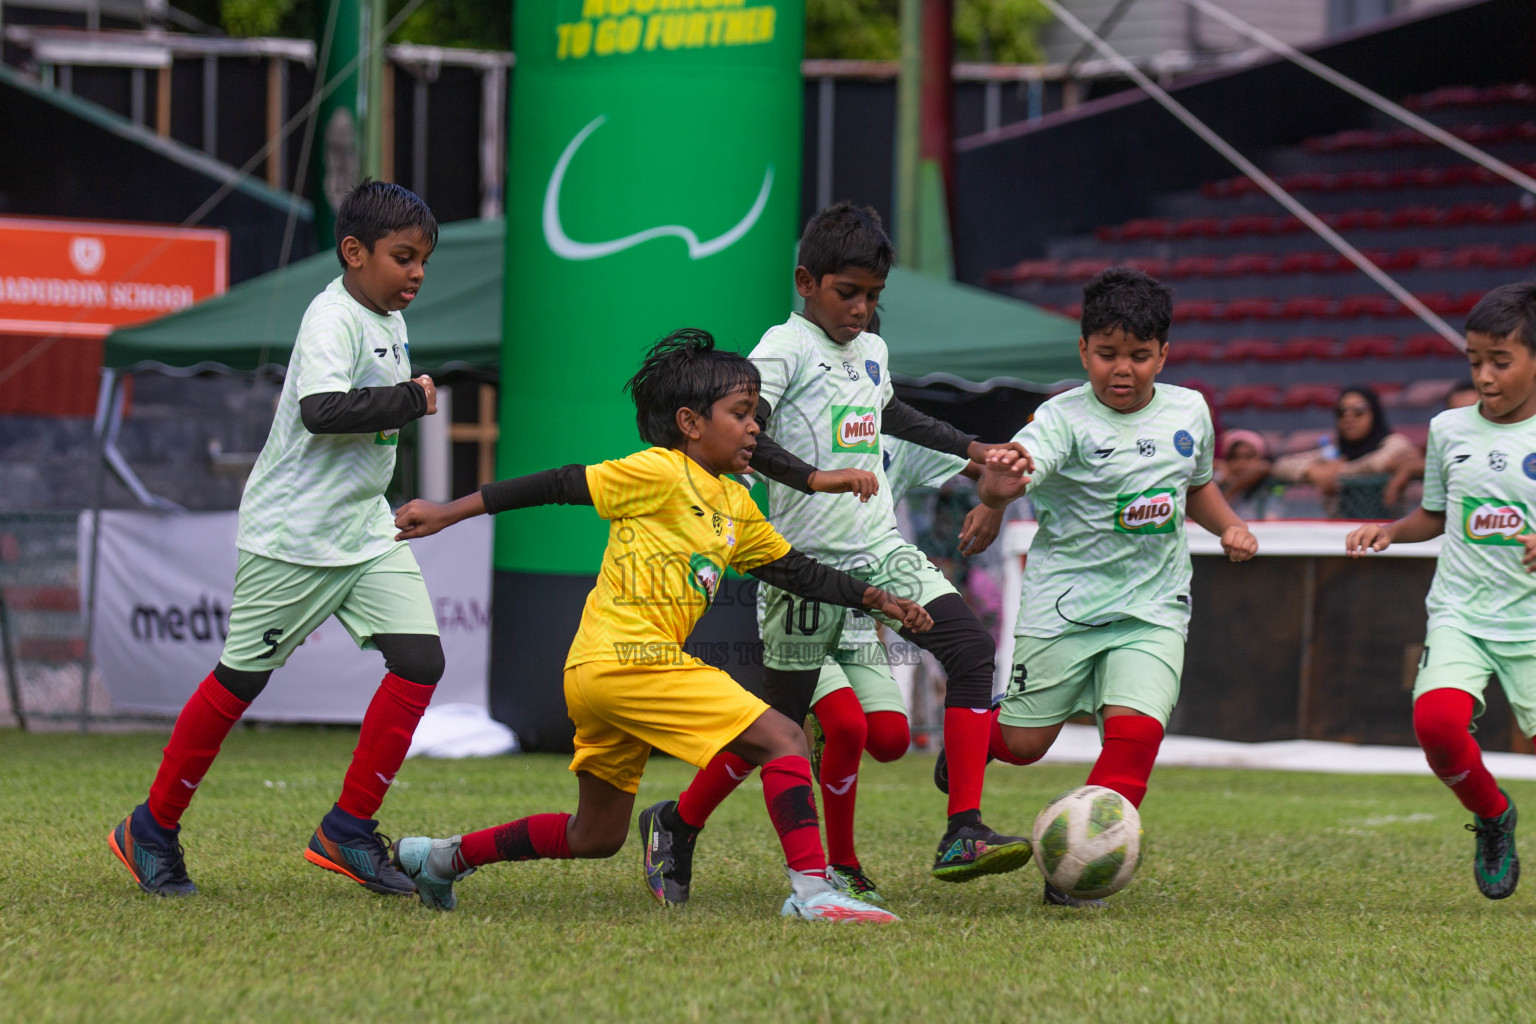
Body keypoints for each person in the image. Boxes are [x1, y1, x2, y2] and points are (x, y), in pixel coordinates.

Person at [388, 329, 930, 922]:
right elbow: (561, 482)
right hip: (628, 659)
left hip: (599, 673)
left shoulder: (736, 503)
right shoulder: (661, 470)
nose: (755, 428)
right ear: (690, 423)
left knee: (595, 835)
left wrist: (878, 596)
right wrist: (447, 511)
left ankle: (439, 858)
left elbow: (795, 571)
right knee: (784, 737)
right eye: (742, 413)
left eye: (757, 415)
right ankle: (811, 891)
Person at [639, 203, 1033, 910]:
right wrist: (816, 479)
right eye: (846, 293)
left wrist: (973, 449)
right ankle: (678, 820)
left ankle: (963, 829)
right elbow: (744, 432)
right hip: (801, 567)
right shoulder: (781, 349)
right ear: (805, 282)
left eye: (872, 297)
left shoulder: (872, 351)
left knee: (972, 651)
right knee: (778, 730)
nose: (860, 309)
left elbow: (893, 414)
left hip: (878, 549)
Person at [109, 180, 445, 897]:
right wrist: (411, 399)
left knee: (420, 662)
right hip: (294, 536)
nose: (416, 272)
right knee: (241, 681)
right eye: (403, 257)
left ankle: (349, 830)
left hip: (363, 528)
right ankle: (151, 828)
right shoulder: (333, 317)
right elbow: (323, 411)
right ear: (354, 253)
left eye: (423, 259)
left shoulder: (384, 312)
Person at [969, 267, 1259, 906]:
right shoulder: (1059, 420)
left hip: (1154, 607)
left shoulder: (1190, 411)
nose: (1121, 369)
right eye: (1106, 355)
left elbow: (1196, 485)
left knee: (1137, 733)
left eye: (1137, 355)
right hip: (1065, 605)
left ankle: (1075, 874)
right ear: (1083, 352)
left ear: (1163, 354)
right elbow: (1008, 478)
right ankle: (970, 746)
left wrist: (1231, 524)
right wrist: (995, 491)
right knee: (1023, 745)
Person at [1345, 283, 1536, 901]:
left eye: (1499, 362)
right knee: (1436, 723)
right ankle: (1493, 815)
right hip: (1461, 611)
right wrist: (1389, 532)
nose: (1483, 375)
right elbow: (1433, 515)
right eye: (1474, 360)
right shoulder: (1448, 429)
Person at [808, 439, 1005, 903]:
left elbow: (979, 467)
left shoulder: (888, 437)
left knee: (891, 740)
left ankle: (963, 830)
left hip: (860, 619)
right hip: (796, 611)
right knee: (844, 729)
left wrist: (1001, 491)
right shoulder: (794, 425)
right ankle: (840, 864)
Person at [1272, 386, 1417, 516]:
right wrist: (1311, 471)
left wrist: (1334, 473)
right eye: (1341, 412)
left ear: (1374, 414)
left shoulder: (1395, 442)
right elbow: (1281, 465)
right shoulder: (1335, 451)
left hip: (1390, 530)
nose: (1349, 417)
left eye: (1358, 411)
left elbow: (1378, 463)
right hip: (1341, 532)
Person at [1383, 379, 1481, 507]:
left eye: (1470, 413)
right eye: (1455, 414)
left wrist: (1413, 467)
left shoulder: (1501, 442)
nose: (1462, 422)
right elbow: (1393, 463)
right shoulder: (1443, 437)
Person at [1214, 429, 1273, 518]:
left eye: (1248, 457)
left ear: (1261, 457)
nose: (1241, 463)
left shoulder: (1266, 479)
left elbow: (1263, 468)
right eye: (1234, 457)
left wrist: (1232, 491)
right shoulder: (1219, 480)